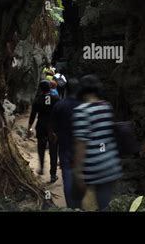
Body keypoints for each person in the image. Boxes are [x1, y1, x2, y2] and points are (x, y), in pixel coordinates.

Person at [72, 74, 123, 210]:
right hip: (110, 165)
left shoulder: (81, 111)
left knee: (78, 203)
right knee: (104, 205)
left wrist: (77, 171)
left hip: (93, 169)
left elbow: (81, 144)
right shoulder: (107, 106)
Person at [49, 78, 81, 208]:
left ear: (66, 89)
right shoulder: (83, 105)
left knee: (67, 176)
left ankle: (71, 207)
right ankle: (80, 205)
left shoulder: (60, 105)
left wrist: (53, 136)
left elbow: (51, 125)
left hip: (64, 146)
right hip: (81, 147)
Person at [28, 80, 60, 182]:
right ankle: (53, 174)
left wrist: (29, 128)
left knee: (41, 148)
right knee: (53, 150)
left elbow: (33, 115)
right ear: (49, 88)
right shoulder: (56, 99)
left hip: (41, 127)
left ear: (41, 89)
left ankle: (41, 167)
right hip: (53, 129)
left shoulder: (37, 100)